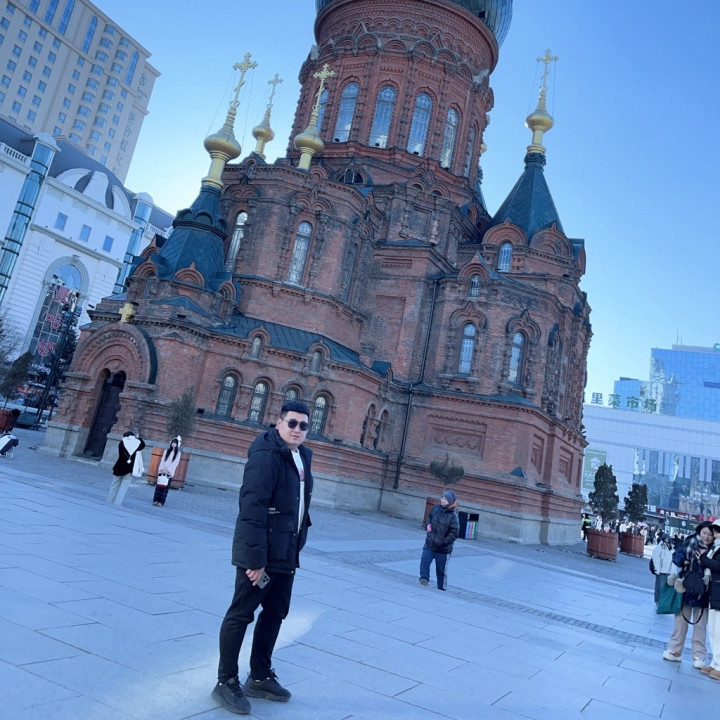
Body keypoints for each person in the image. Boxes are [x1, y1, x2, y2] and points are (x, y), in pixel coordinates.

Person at [212, 401, 313, 716]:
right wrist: (255, 560)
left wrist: (297, 544)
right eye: (292, 423)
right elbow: (252, 509)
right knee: (241, 613)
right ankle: (225, 681)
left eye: (303, 425)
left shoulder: (302, 456)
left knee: (275, 613)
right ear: (279, 422)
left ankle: (259, 676)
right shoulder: (265, 455)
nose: (297, 429)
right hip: (261, 554)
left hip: (286, 551)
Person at [662, 521, 713, 668]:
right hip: (685, 587)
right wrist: (683, 560)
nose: (706, 537)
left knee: (700, 625)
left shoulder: (715, 549)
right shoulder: (690, 542)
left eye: (710, 534)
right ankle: (675, 651)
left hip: (704, 591)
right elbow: (676, 557)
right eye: (704, 533)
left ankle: (699, 655)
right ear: (699, 532)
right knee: (680, 622)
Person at [419, 489, 459, 591]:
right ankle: (424, 579)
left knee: (441, 570)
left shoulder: (453, 516)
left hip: (443, 549)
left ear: (450, 502)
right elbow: (429, 517)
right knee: (425, 560)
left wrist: (444, 542)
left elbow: (454, 533)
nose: (443, 500)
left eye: (445, 499)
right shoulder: (436, 508)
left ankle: (441, 586)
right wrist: (428, 525)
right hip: (430, 542)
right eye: (442, 498)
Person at [699, 520, 720, 679]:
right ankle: (715, 662)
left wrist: (705, 560)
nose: (716, 535)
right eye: (715, 531)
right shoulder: (715, 548)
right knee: (713, 630)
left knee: (718, 631)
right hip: (714, 593)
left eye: (718, 531)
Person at [106, 430, 145, 506]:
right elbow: (143, 445)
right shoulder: (137, 444)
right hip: (129, 469)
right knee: (123, 488)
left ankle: (109, 501)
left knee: (114, 486)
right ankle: (117, 503)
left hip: (119, 467)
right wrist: (138, 438)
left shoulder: (122, 443)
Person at [153, 436, 182, 507]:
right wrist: (162, 469)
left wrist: (168, 471)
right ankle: (155, 500)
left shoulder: (178, 453)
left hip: (169, 473)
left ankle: (161, 502)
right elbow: (162, 460)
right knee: (158, 486)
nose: (173, 444)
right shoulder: (167, 451)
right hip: (162, 471)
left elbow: (175, 463)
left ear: (177, 444)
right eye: (173, 442)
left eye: (175, 443)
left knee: (165, 488)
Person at [650, 534, 674, 604]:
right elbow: (655, 559)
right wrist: (657, 569)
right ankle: (657, 601)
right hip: (661, 570)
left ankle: (663, 601)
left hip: (668, 571)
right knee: (659, 587)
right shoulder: (660, 547)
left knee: (666, 587)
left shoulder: (671, 547)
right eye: (668, 539)